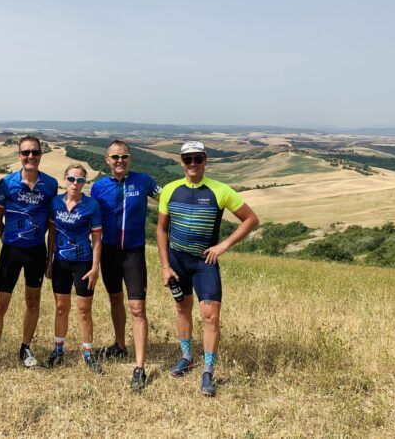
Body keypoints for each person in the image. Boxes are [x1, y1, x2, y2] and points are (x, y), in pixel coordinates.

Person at [156, 141, 259, 397]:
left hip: (205, 262)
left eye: (197, 159)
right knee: (182, 308)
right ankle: (187, 357)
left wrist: (223, 245)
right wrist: (165, 266)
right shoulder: (170, 190)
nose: (192, 164)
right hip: (177, 261)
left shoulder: (219, 190)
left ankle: (208, 371)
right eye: (188, 159)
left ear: (205, 160)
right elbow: (161, 229)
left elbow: (251, 219)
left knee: (210, 315)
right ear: (181, 161)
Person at [0, 135, 58, 378]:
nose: (30, 156)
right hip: (11, 251)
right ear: (19, 156)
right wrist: (8, 239)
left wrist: (50, 258)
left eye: (34, 152)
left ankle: (25, 348)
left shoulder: (51, 185)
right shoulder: (6, 184)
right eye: (26, 153)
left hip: (37, 251)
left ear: (41, 155)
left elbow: (52, 224)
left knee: (33, 302)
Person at [90, 140, 161, 391]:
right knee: (115, 300)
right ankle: (120, 346)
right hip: (108, 252)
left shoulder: (143, 181)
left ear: (130, 159)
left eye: (125, 156)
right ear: (107, 160)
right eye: (115, 157)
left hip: (133, 252)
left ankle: (139, 367)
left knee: (138, 307)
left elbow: (167, 199)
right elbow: (90, 219)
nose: (120, 161)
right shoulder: (98, 187)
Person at [44, 164, 103, 373]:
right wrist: (49, 260)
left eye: (80, 180)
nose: (75, 184)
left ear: (85, 183)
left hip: (83, 262)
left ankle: (88, 353)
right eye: (71, 179)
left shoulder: (92, 206)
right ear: (65, 179)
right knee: (61, 307)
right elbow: (51, 233)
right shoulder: (55, 203)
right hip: (60, 261)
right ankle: (58, 350)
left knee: (84, 310)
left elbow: (97, 239)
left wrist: (95, 267)